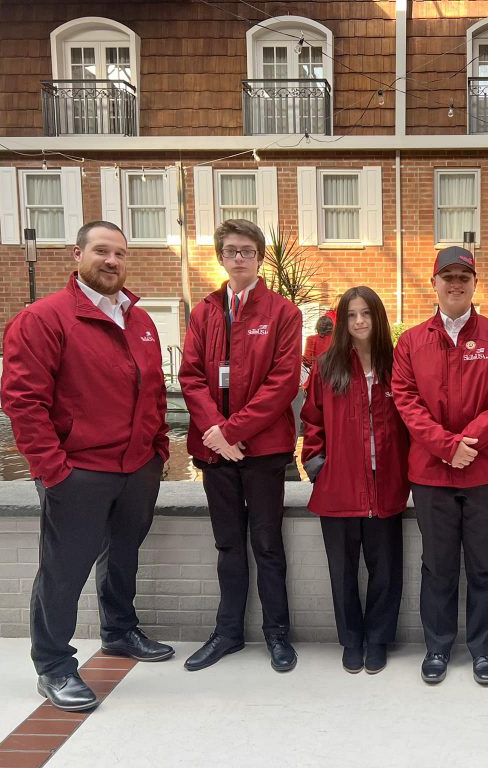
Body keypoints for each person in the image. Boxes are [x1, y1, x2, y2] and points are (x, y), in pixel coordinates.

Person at [1, 221, 173, 712]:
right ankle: (53, 664)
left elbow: (153, 391)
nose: (112, 261)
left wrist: (157, 449)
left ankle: (119, 632)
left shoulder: (139, 320)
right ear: (77, 255)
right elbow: (23, 403)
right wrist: (53, 469)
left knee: (122, 555)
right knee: (64, 568)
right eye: (102, 251)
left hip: (137, 467)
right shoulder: (43, 318)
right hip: (78, 470)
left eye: (120, 253)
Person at [392, 246, 488, 686]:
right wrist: (446, 447)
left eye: (463, 276)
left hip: (486, 472)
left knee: (485, 565)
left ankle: (483, 650)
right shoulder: (411, 341)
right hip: (432, 474)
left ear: (474, 283)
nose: (455, 284)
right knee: (438, 564)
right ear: (433, 283)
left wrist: (471, 441)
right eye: (446, 276)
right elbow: (406, 402)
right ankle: (438, 646)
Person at [178, 219, 302, 673]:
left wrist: (235, 431)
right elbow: (190, 376)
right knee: (228, 545)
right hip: (215, 452)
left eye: (247, 250)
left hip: (264, 450)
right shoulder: (206, 311)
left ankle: (277, 634)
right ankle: (228, 633)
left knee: (268, 544)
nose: (239, 258)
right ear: (221, 257)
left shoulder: (283, 313)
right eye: (231, 250)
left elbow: (283, 382)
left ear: (260, 257)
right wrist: (216, 429)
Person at [300, 286, 409, 674]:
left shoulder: (398, 365)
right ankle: (351, 640)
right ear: (342, 322)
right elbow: (312, 421)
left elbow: (412, 423)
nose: (360, 321)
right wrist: (317, 464)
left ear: (378, 319)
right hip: (339, 486)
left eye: (367, 314)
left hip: (386, 486)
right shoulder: (327, 366)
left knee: (386, 569)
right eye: (352, 315)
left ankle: (378, 639)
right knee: (342, 571)